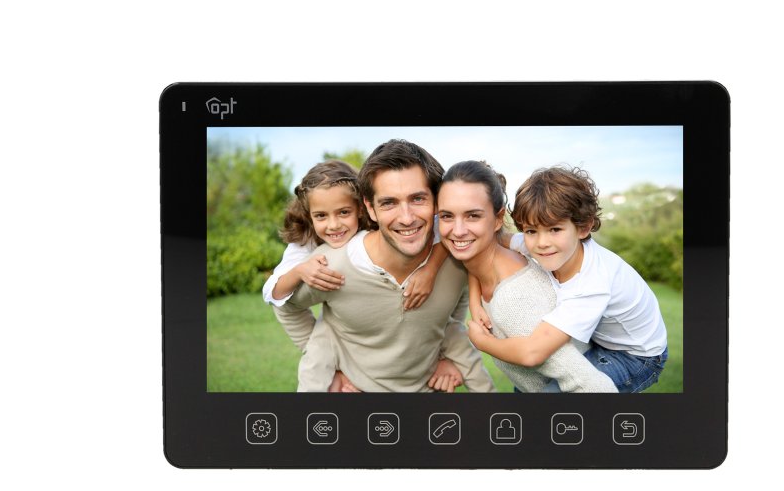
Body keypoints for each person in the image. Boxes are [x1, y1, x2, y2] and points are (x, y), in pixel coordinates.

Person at [274, 140, 495, 393]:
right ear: (370, 208)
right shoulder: (330, 266)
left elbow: (457, 297)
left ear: (437, 202)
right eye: (389, 202)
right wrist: (327, 363)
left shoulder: (457, 254)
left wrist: (448, 356)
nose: (406, 218)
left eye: (418, 198)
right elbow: (285, 305)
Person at [466, 165, 668, 394]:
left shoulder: (591, 284)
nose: (542, 243)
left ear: (584, 227)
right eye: (531, 230)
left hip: (636, 356)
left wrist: (482, 342)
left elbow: (532, 353)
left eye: (555, 229)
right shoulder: (540, 245)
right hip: (599, 339)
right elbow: (483, 248)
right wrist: (474, 302)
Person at [263, 160, 448, 391]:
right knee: (318, 362)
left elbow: (441, 228)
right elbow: (273, 291)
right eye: (321, 216)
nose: (333, 225)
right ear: (309, 215)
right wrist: (300, 270)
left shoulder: (378, 227)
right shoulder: (305, 241)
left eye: (343, 212)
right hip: (332, 331)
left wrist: (430, 270)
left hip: (373, 332)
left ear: (361, 208)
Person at [437, 160, 616, 393]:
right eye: (447, 216)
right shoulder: (491, 264)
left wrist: (482, 342)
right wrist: (474, 298)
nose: (458, 230)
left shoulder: (514, 298)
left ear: (498, 219)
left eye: (473, 216)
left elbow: (592, 385)